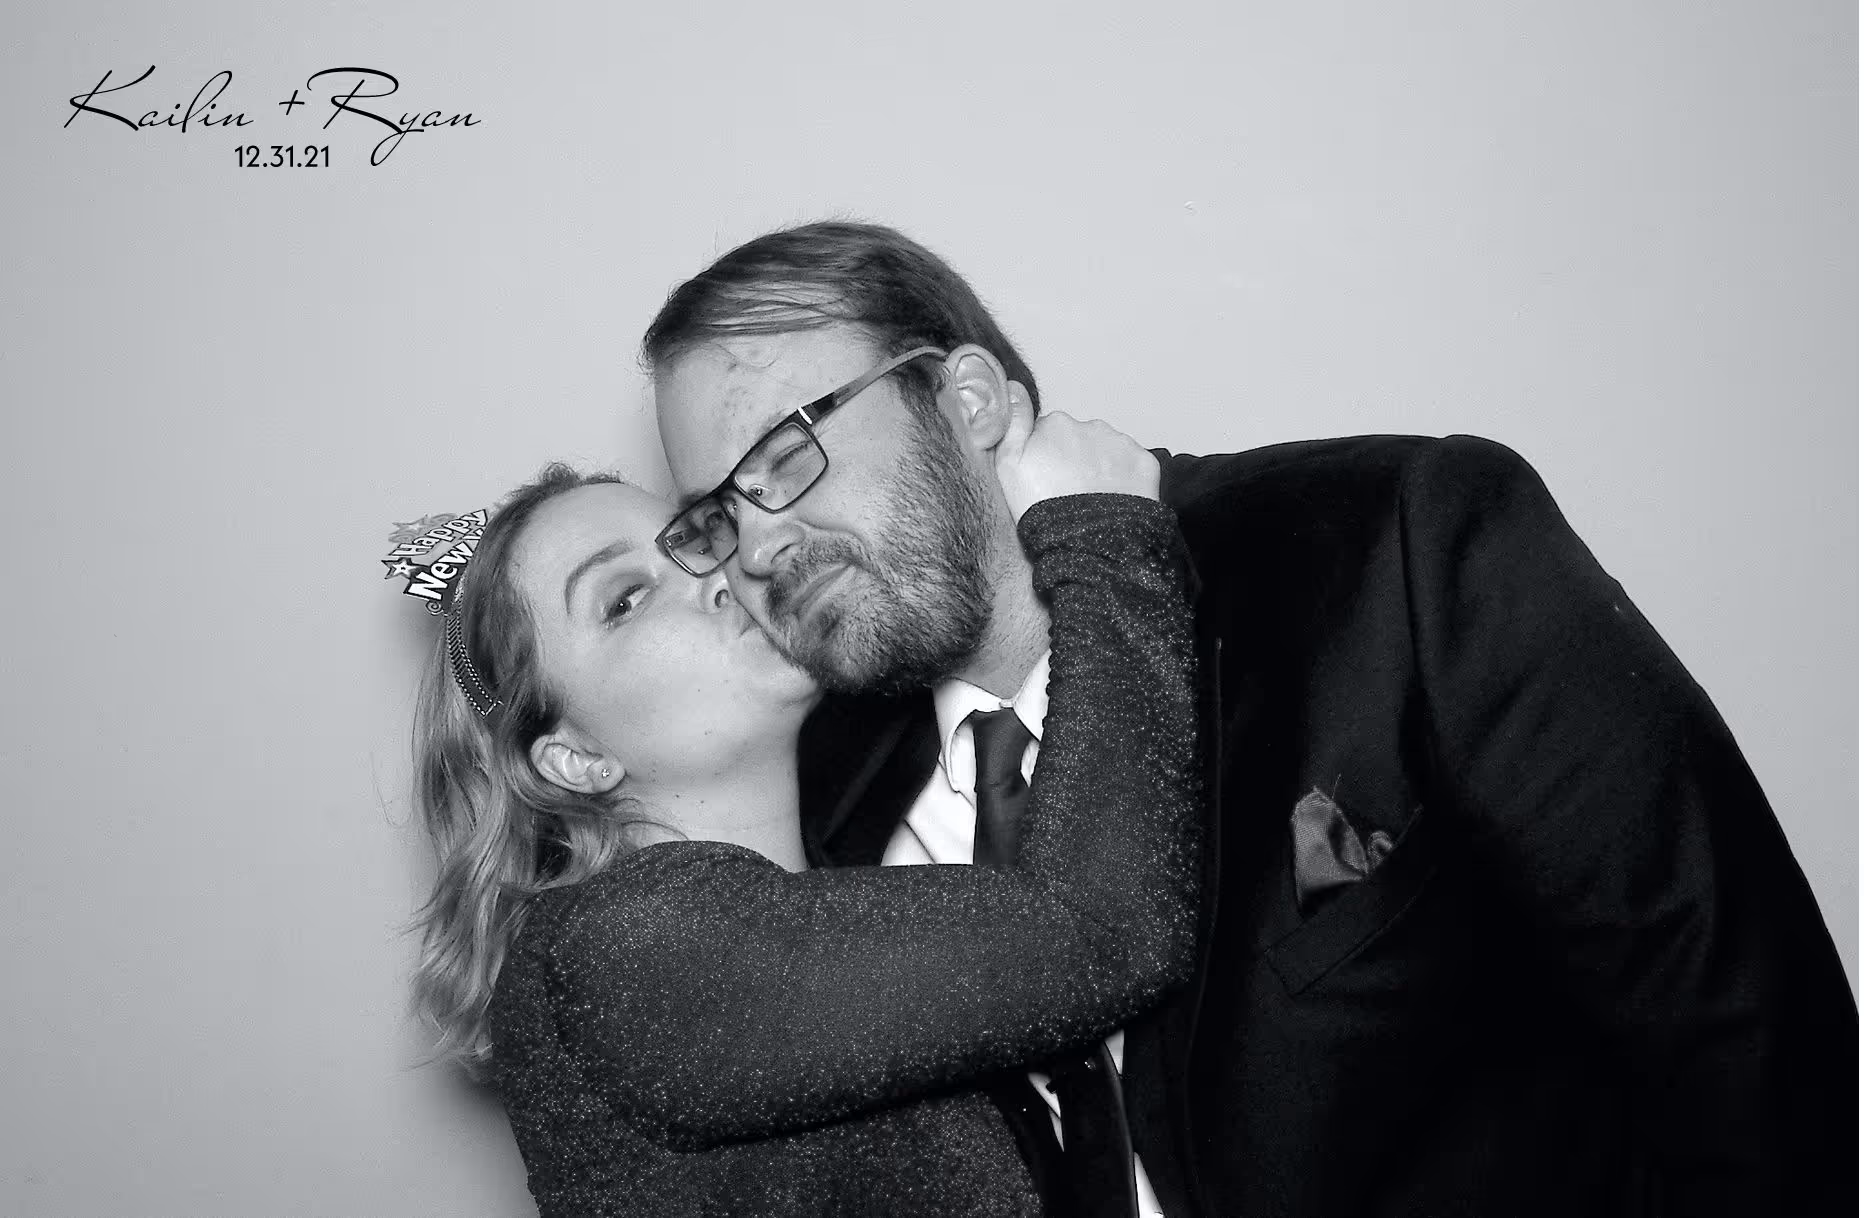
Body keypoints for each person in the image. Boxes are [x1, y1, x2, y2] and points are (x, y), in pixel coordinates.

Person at [645, 220, 1858, 1218]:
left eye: (784, 455)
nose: (757, 545)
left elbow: (1750, 1036)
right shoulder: (819, 804)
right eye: (714, 515)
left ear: (965, 400)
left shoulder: (1395, 542)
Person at [409, 403, 1208, 1216]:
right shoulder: (623, 950)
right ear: (575, 758)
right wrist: (1102, 529)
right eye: (624, 599)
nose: (719, 578)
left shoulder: (853, 885)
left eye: (694, 541)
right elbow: (1102, 929)